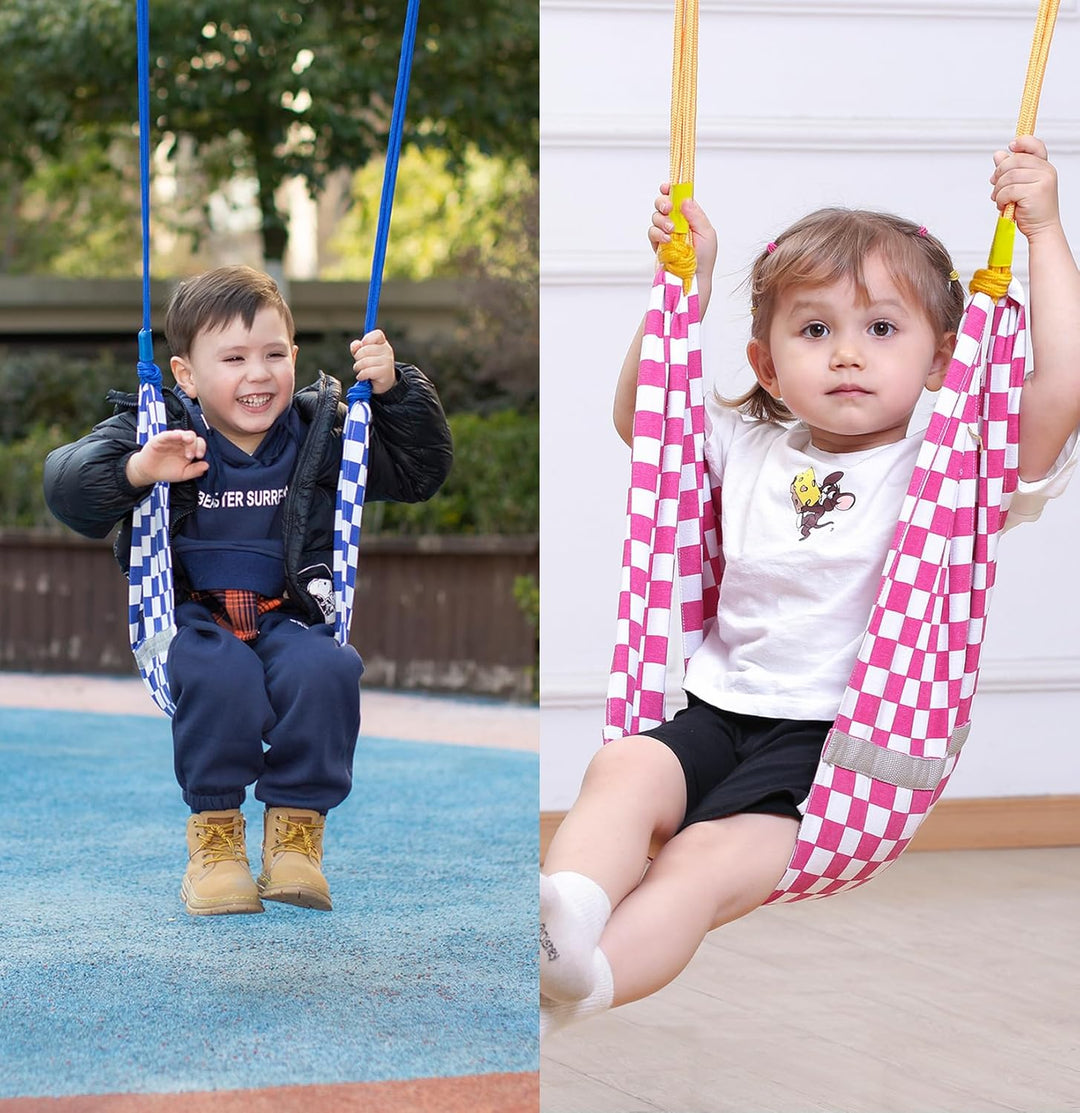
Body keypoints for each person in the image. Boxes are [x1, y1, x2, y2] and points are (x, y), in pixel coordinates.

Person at [539, 136, 1080, 1034]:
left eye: (882, 329)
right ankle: (565, 915)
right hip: (717, 709)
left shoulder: (950, 466)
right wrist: (683, 289)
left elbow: (1061, 388)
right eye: (816, 329)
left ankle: (584, 981)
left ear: (943, 360)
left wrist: (1046, 233)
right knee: (624, 765)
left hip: (838, 751)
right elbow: (645, 414)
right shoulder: (749, 447)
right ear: (767, 364)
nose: (847, 355)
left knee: (703, 863)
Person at [44, 265, 453, 917]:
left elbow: (418, 472)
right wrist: (138, 469)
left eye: (273, 355)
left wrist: (397, 389)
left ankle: (295, 833)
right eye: (233, 358)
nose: (257, 374)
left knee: (327, 669)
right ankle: (217, 841)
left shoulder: (321, 435)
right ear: (186, 374)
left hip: (286, 615)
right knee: (222, 674)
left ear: (294, 355)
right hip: (189, 619)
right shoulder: (159, 428)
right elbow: (66, 487)